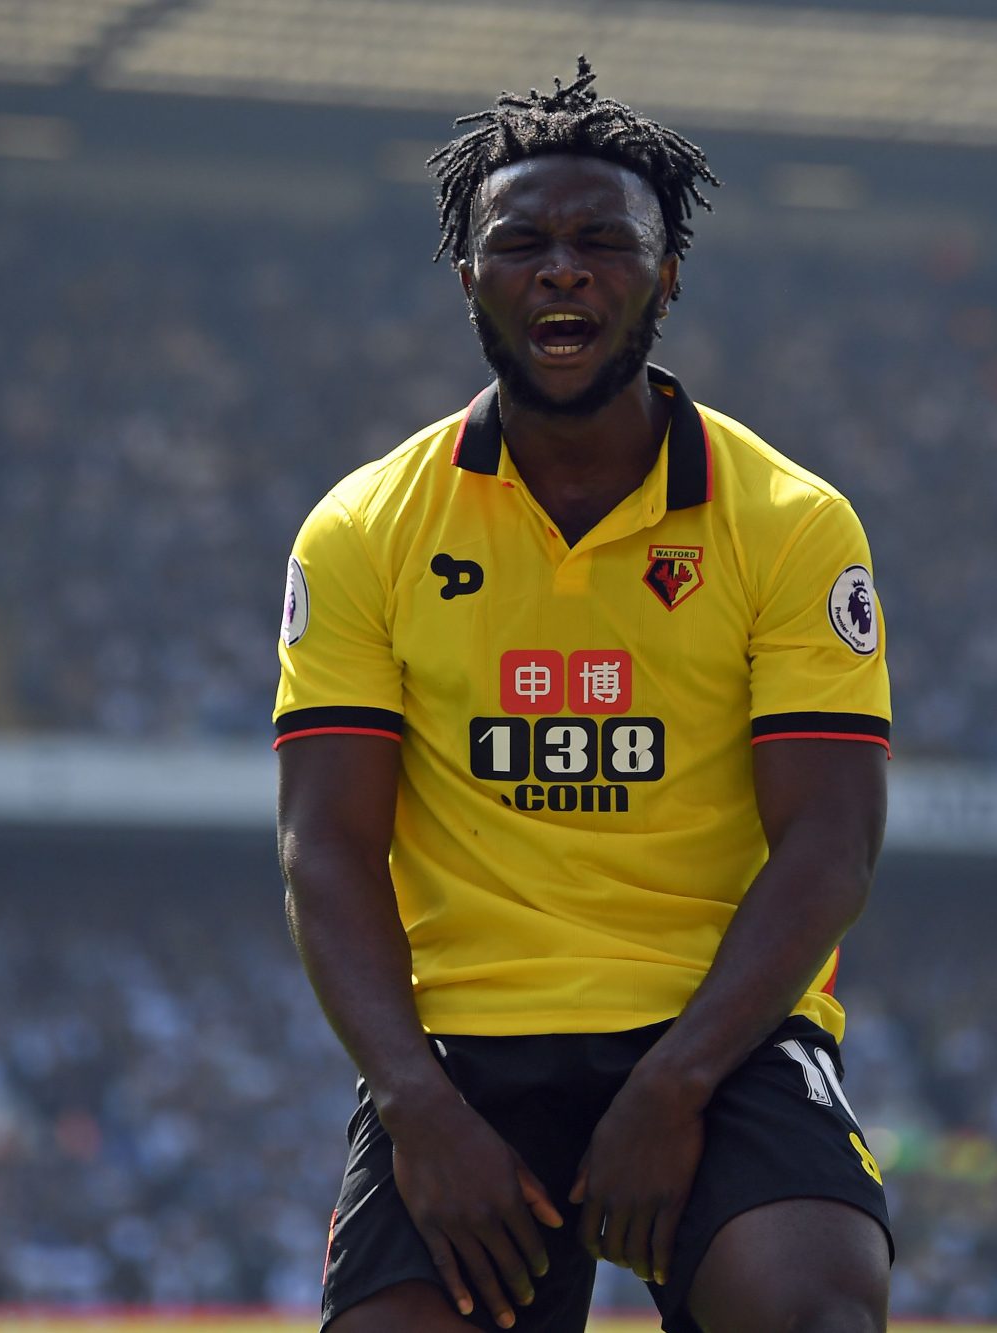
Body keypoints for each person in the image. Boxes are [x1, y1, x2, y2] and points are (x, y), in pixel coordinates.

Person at [275, 56, 894, 1333]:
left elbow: (830, 841)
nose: (562, 270)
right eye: (522, 244)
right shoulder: (362, 529)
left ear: (666, 276)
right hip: (460, 1059)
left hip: (723, 1032)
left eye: (603, 242)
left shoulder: (790, 520)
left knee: (810, 1311)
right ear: (467, 277)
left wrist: (673, 1086)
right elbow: (323, 844)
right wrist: (413, 1103)